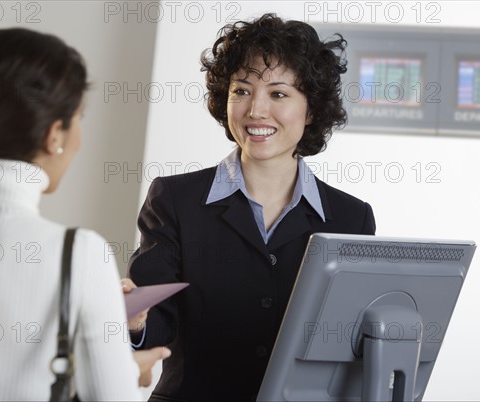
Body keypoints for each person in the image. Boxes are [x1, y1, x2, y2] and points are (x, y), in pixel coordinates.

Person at [0, 28, 168, 400]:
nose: (80, 138)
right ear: (54, 134)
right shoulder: (78, 253)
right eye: (79, 119)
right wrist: (129, 372)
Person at [128, 13, 377, 402]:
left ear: (310, 110)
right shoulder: (175, 199)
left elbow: (350, 343)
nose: (256, 110)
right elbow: (155, 319)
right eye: (241, 91)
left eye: (278, 94)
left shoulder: (350, 217)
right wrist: (135, 320)